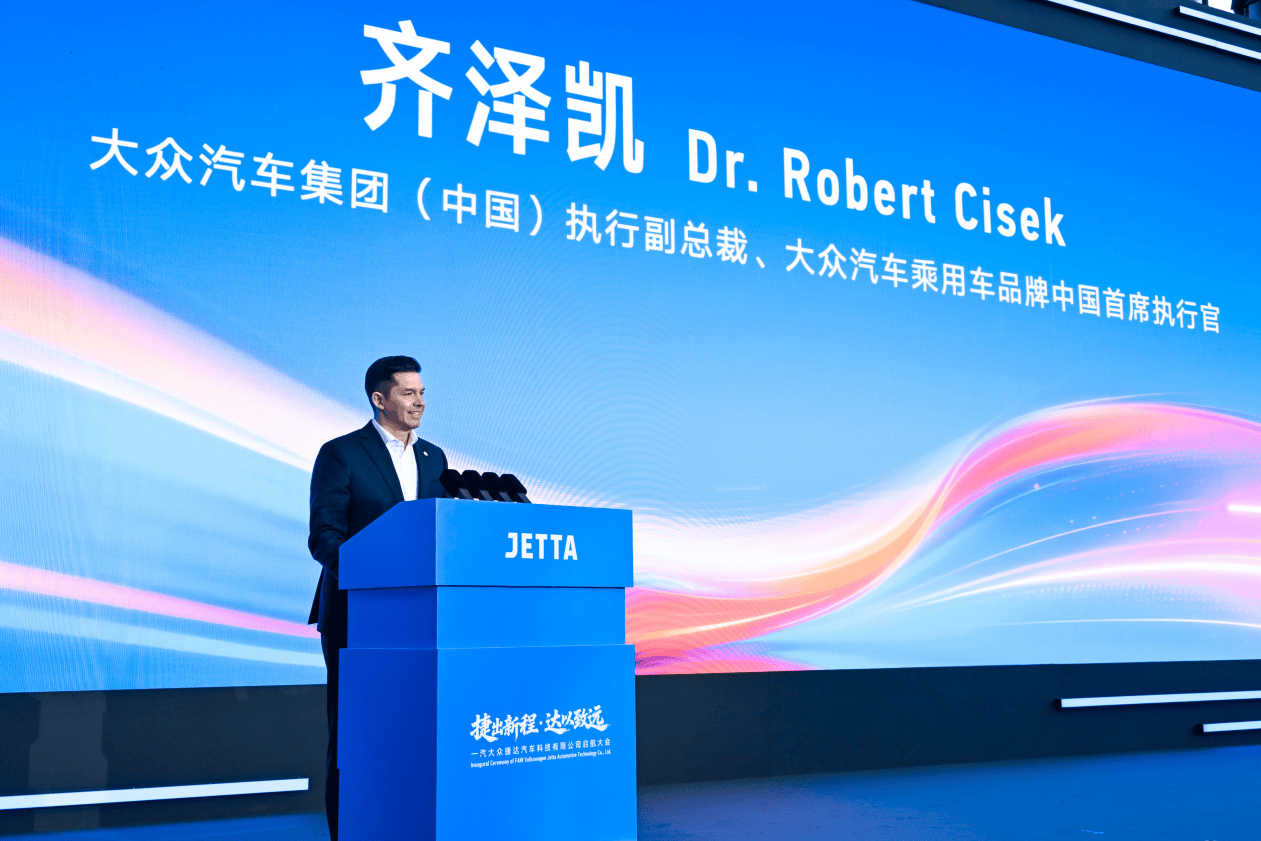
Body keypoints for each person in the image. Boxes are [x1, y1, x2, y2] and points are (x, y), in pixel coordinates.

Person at [307, 356, 449, 840]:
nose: (420, 402)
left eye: (423, 392)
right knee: (356, 732)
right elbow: (324, 537)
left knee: (412, 730)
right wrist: (374, 578)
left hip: (421, 618)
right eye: (409, 393)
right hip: (357, 615)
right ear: (379, 398)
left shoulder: (434, 458)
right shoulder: (342, 453)